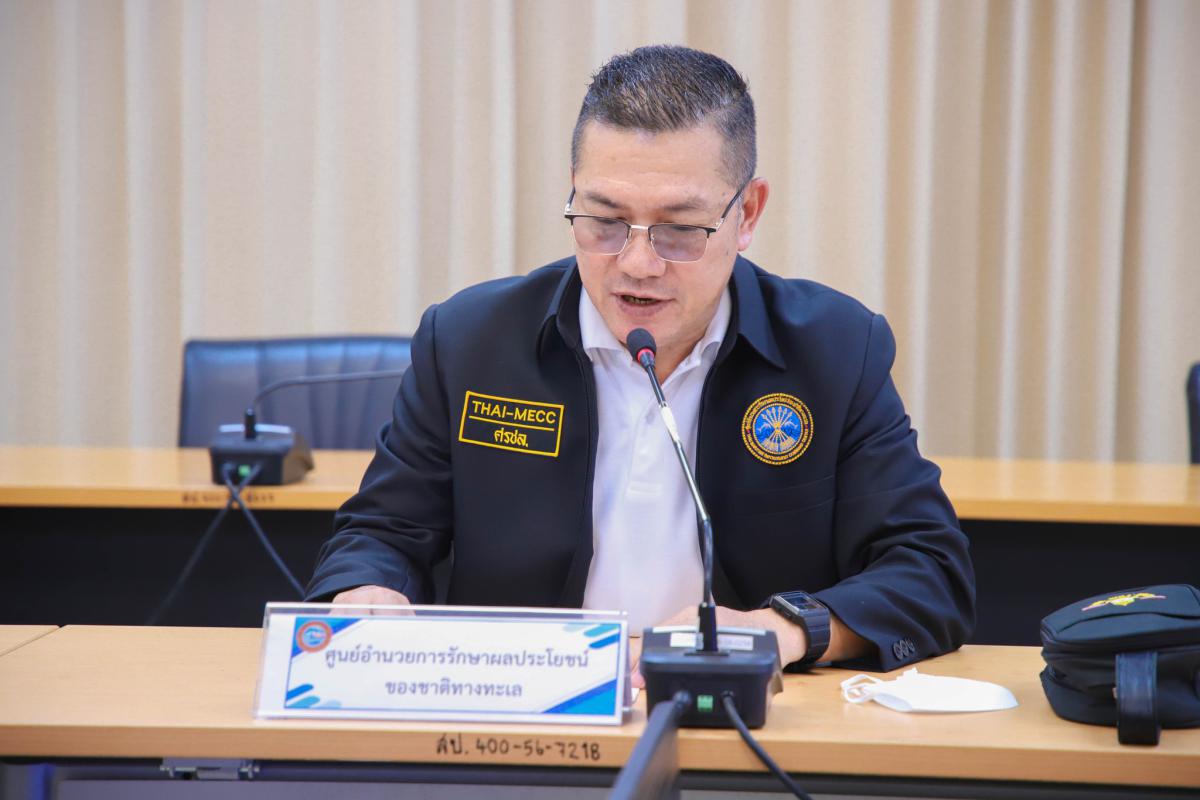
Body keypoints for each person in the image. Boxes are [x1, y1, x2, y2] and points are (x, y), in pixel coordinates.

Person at [306, 45, 974, 674]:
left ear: (747, 213)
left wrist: (782, 629)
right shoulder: (469, 342)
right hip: (520, 710)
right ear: (574, 192)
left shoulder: (834, 351)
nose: (637, 264)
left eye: (679, 229)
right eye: (604, 220)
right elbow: (383, 533)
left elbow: (929, 572)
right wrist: (368, 589)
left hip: (737, 716)